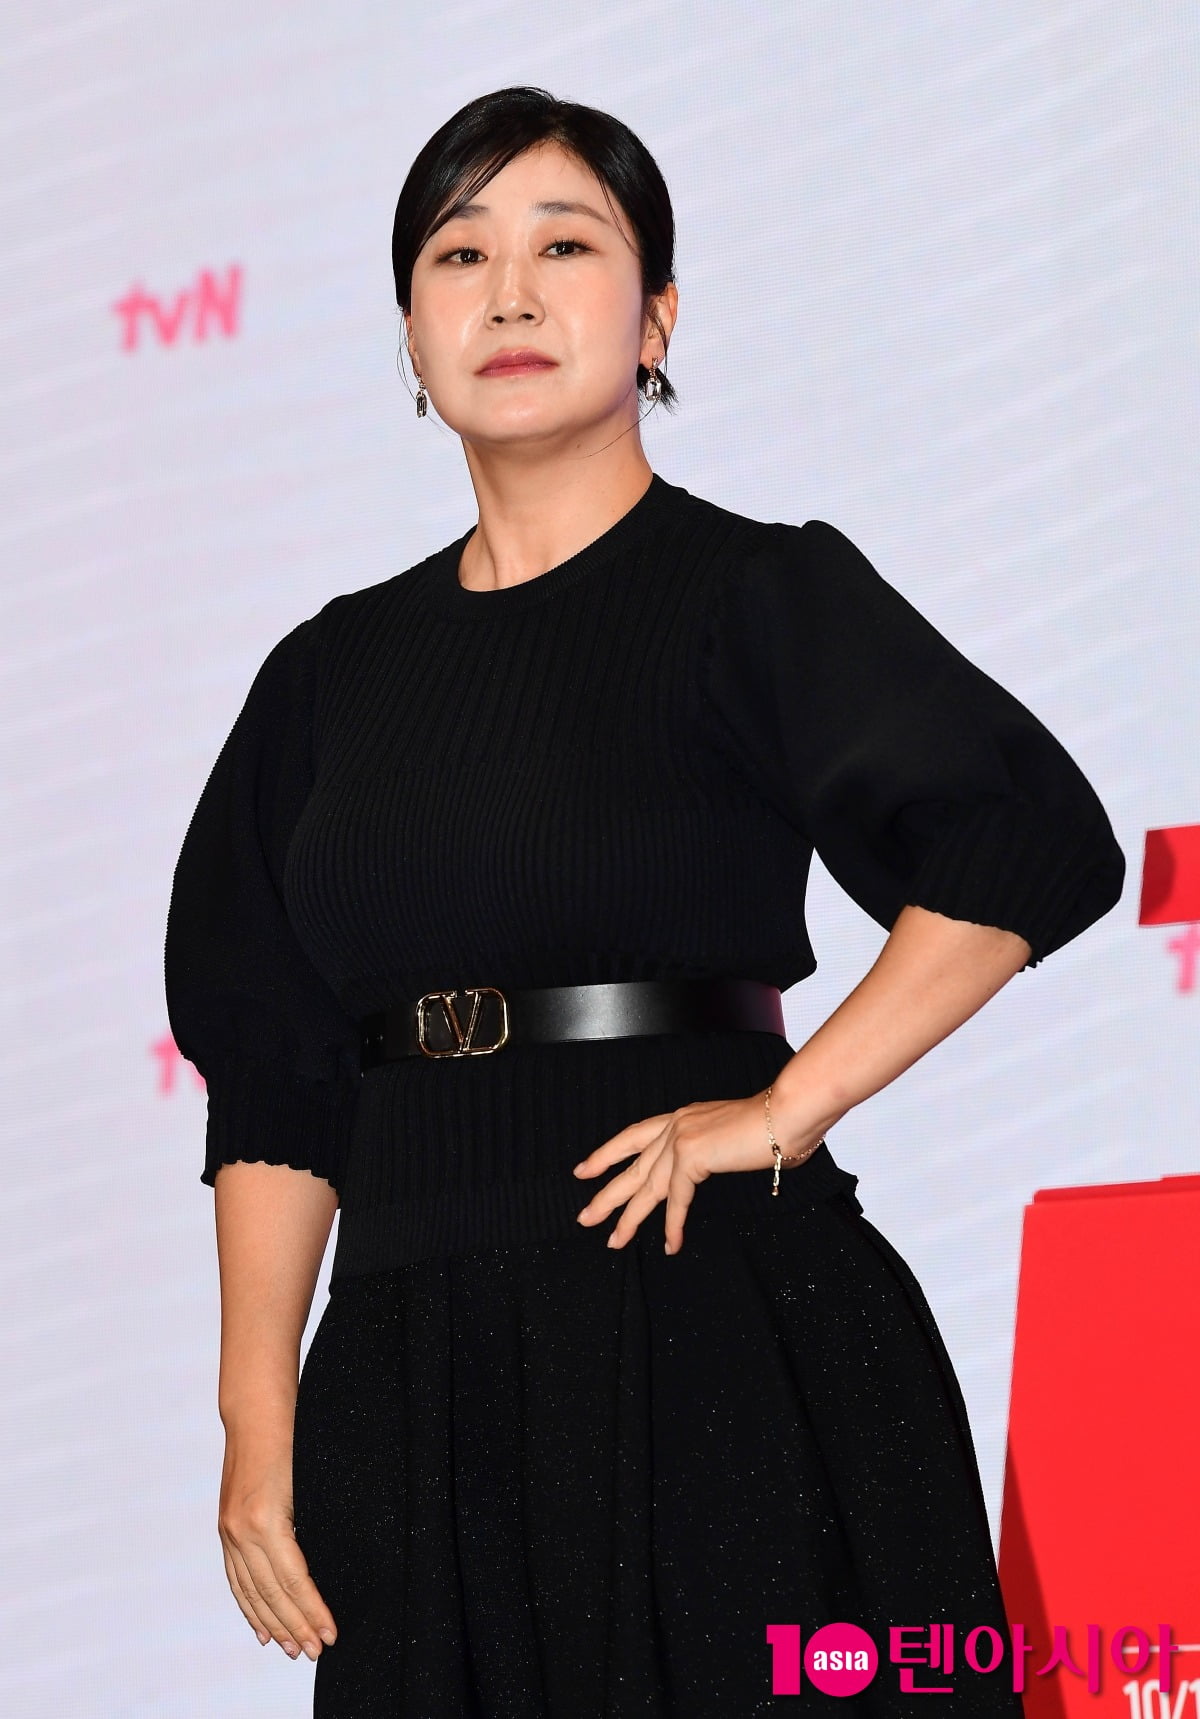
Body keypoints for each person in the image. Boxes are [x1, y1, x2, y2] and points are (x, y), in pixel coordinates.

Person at [163, 86, 1125, 1718]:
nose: (509, 295)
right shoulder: (325, 677)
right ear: (411, 336)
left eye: (566, 246)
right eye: (458, 255)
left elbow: (1026, 838)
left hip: (713, 1328)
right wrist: (260, 1417)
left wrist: (788, 1109)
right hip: (412, 1373)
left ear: (656, 317)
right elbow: (275, 1068)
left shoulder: (754, 591)